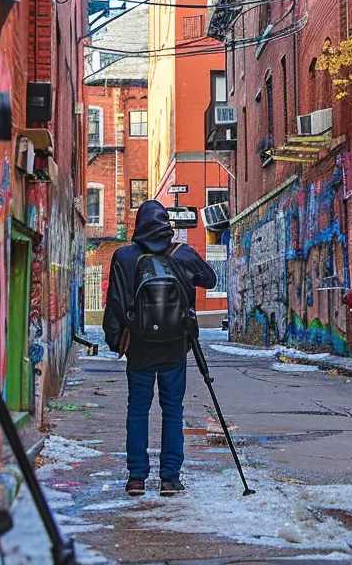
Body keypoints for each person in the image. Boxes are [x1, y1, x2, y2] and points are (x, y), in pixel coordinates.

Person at [102, 200, 217, 496]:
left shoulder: (124, 256)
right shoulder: (182, 253)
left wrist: (117, 337)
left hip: (139, 346)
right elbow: (210, 279)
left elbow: (114, 301)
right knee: (172, 411)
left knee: (137, 411)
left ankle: (136, 478)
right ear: (167, 224)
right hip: (175, 346)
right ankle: (170, 479)